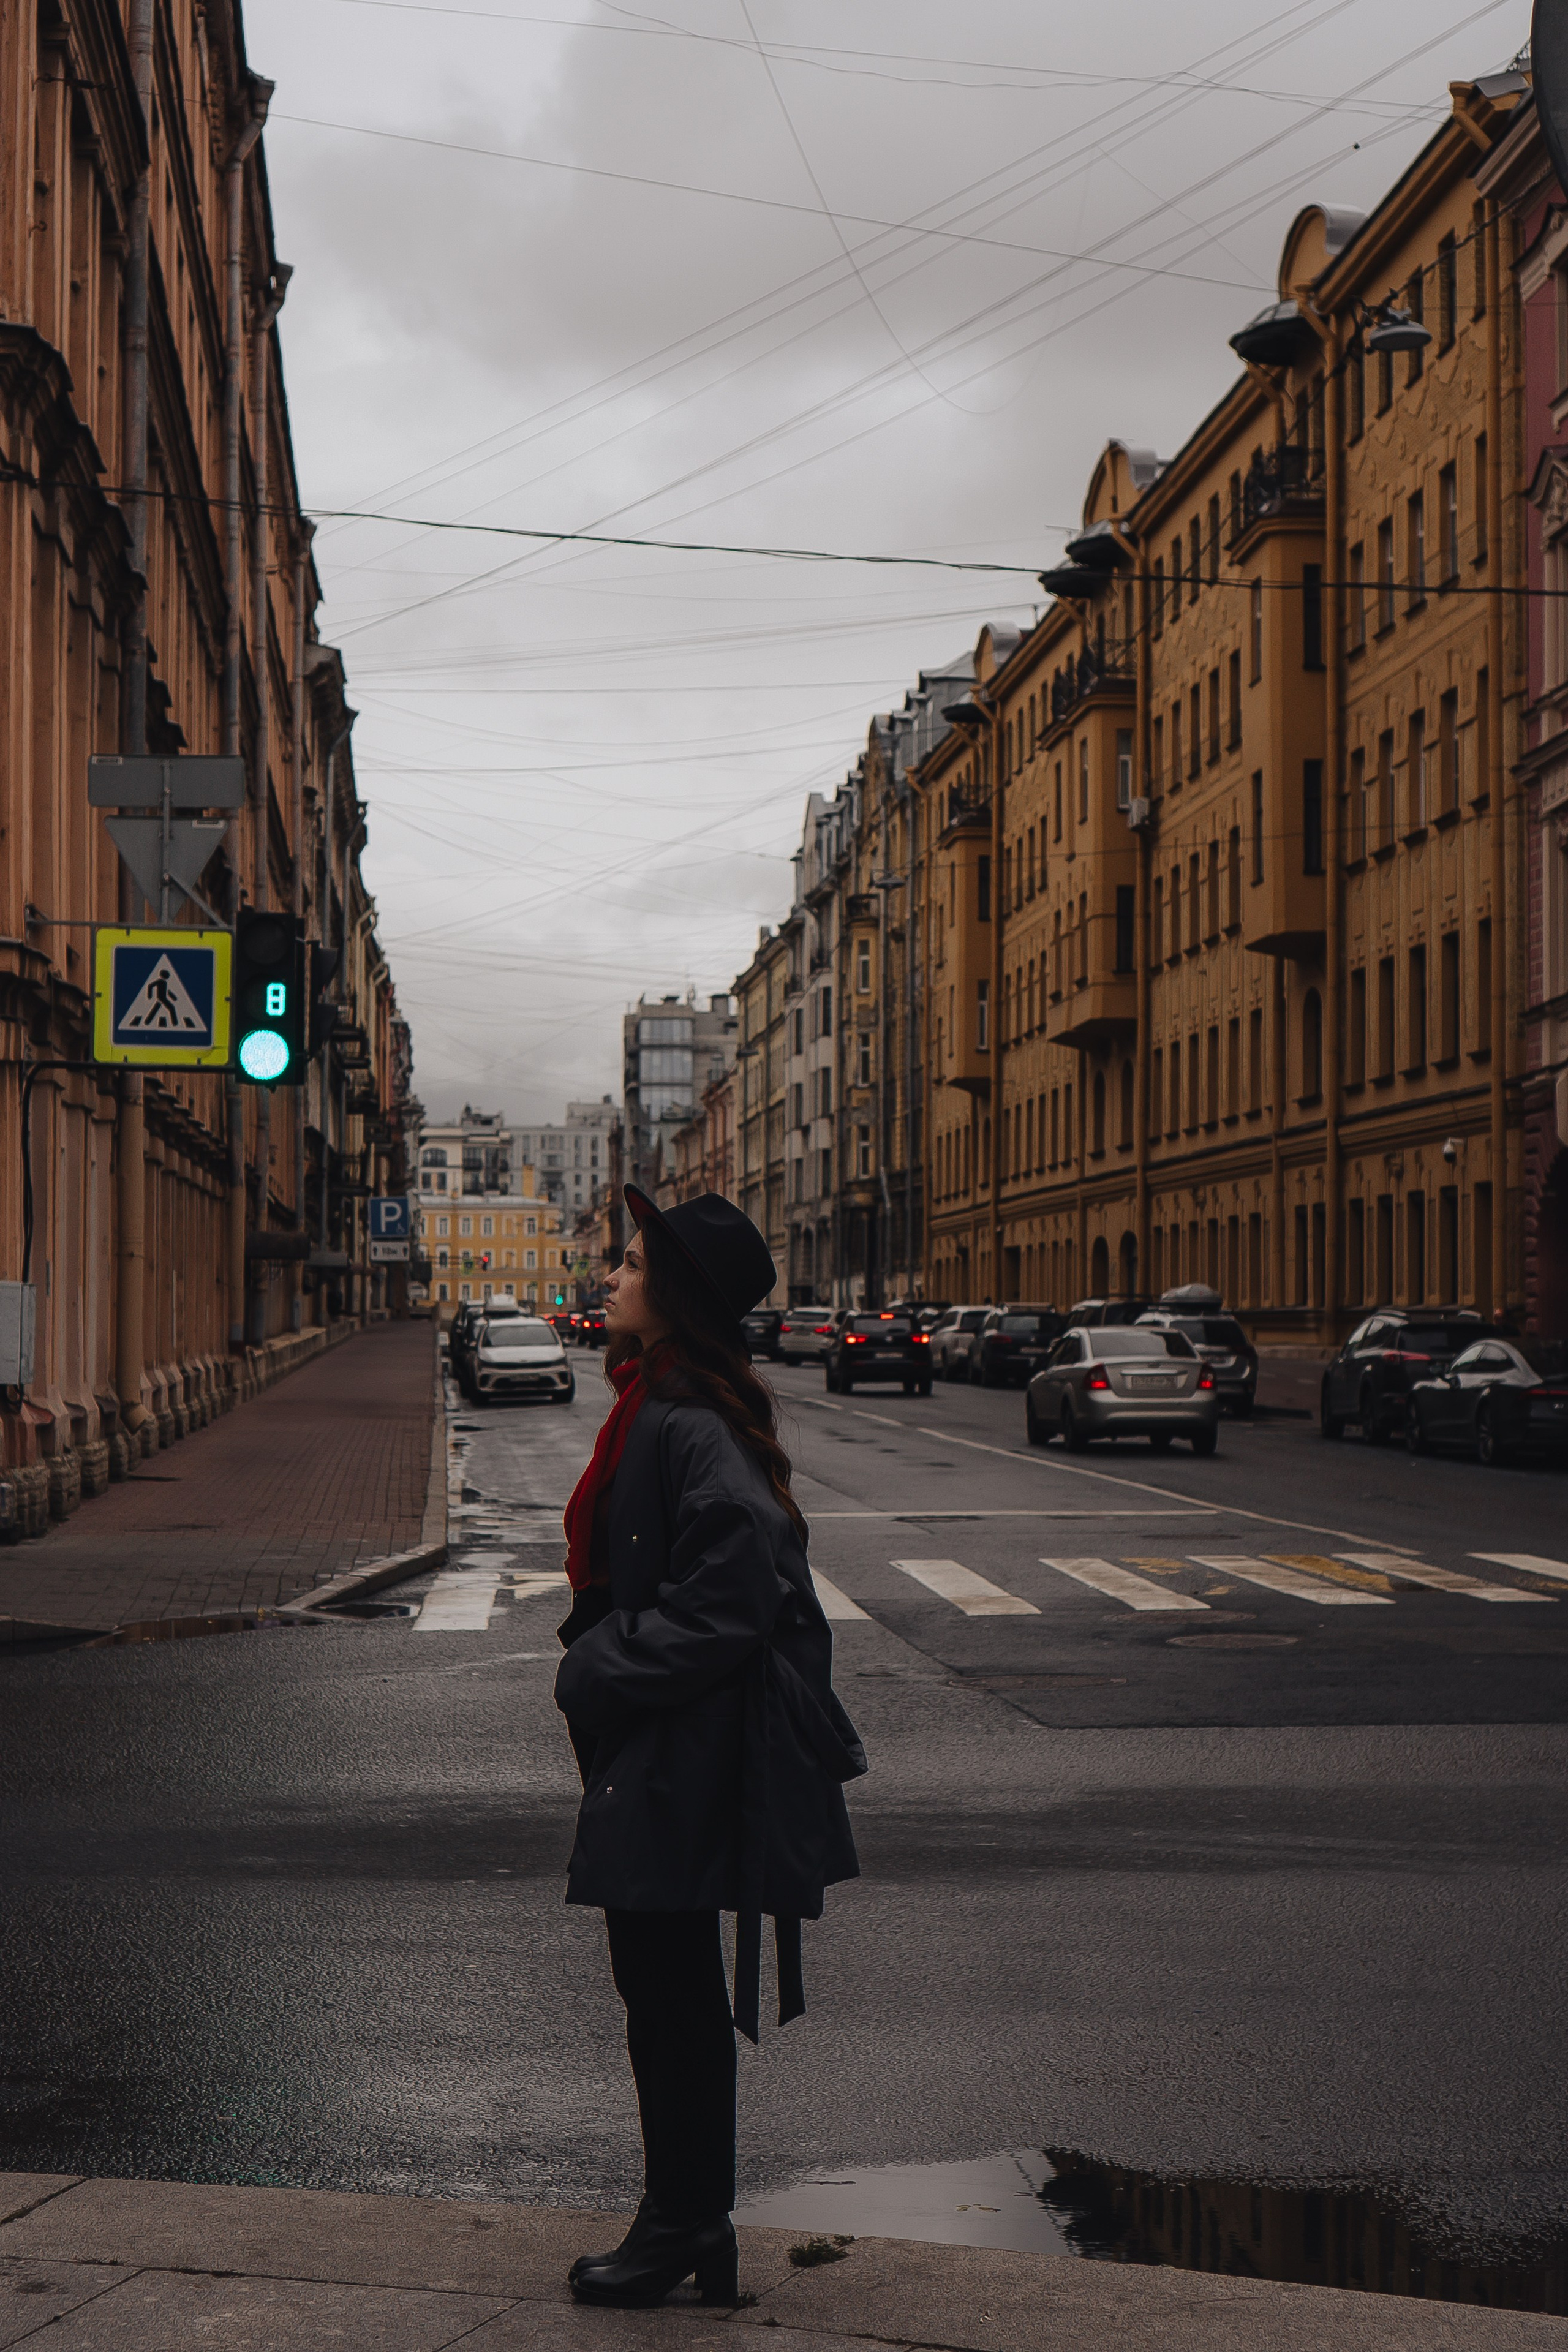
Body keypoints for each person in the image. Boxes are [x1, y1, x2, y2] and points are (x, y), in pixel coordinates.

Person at [555, 1186, 865, 2308]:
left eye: (635, 1265)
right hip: (667, 1730)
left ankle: (684, 2221)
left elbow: (735, 1591)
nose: (612, 1277)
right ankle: (688, 2220)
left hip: (683, 1738)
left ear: (678, 1296)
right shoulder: (659, 1402)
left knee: (667, 1988)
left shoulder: (685, 1420)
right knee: (662, 1983)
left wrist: (601, 1664)